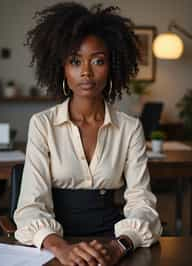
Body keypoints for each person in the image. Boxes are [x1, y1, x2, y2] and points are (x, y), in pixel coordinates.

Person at [14, 2, 162, 266]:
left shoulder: (129, 127)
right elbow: (30, 207)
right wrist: (62, 249)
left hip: (112, 242)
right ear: (61, 68)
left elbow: (142, 202)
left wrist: (121, 246)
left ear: (112, 67)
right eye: (74, 61)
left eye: (98, 61)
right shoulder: (42, 124)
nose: (86, 72)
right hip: (55, 243)